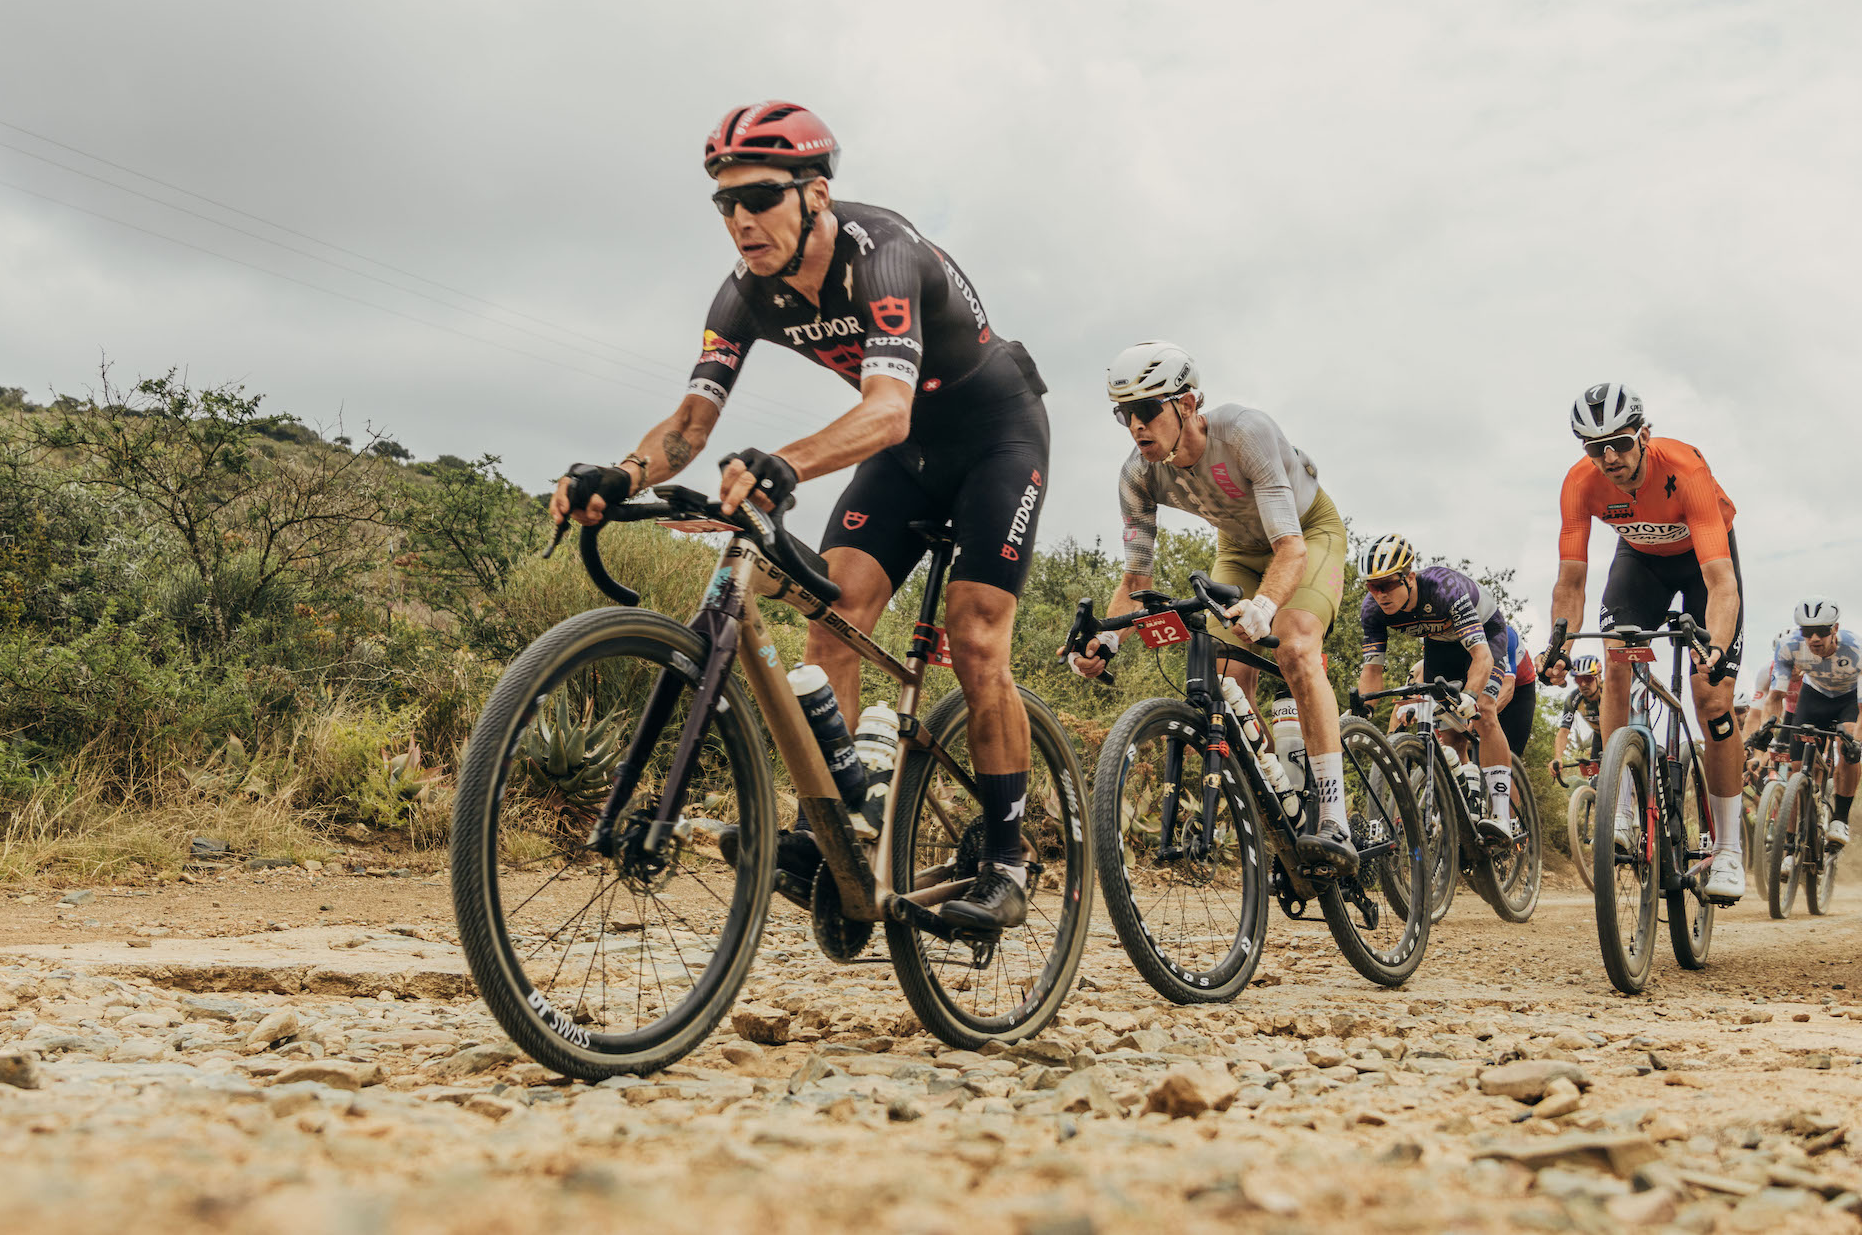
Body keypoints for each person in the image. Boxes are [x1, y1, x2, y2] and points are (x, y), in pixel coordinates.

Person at [551, 101, 1052, 930]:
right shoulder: (744, 295)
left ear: (815, 193)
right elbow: (689, 428)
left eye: (760, 198)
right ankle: (835, 833)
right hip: (906, 455)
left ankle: (1007, 859)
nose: (740, 220)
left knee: (973, 636)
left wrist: (783, 464)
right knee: (834, 614)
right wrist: (623, 470)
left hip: (996, 433)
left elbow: (887, 409)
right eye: (724, 203)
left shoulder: (882, 253)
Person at [1064, 343, 1356, 874]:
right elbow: (1137, 579)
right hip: (1239, 550)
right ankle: (1278, 798)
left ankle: (1334, 815)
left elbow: (1289, 549)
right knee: (1222, 677)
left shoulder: (1245, 433)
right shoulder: (1137, 476)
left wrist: (1266, 605)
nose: (1135, 426)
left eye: (1148, 410)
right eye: (1123, 414)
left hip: (1306, 534)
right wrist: (1106, 638)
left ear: (1189, 404)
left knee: (1294, 646)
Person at [1542, 383, 1747, 899]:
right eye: (1594, 448)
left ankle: (1728, 851)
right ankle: (1624, 805)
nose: (1608, 457)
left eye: (1620, 443)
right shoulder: (1579, 484)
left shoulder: (1684, 469)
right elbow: (1571, 581)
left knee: (1711, 697)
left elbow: (1722, 582)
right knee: (1615, 661)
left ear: (1644, 436)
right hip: (1639, 562)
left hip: (1703, 562)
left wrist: (1716, 649)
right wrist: (1560, 645)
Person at [1353, 534, 1532, 850]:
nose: (1379, 594)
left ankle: (1503, 815)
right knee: (1449, 736)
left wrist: (1472, 696)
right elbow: (1372, 671)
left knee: (1484, 713)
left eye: (1387, 584)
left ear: (1409, 577)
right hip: (1441, 646)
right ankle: (1466, 800)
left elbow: (1481, 657)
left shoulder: (1444, 589)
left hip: (1485, 637)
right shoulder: (1372, 610)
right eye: (1372, 586)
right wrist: (1363, 713)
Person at [1750, 598, 1862, 849]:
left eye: (1821, 631)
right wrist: (1766, 729)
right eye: (1806, 632)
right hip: (1814, 696)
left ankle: (1840, 819)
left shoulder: (1856, 648)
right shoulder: (1789, 648)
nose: (1814, 639)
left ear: (1835, 629)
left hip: (1849, 698)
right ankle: (1791, 842)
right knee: (1797, 767)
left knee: (1848, 747)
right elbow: (1775, 698)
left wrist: (1857, 742)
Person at [1549, 654, 1604, 782]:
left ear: (1599, 677)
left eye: (1588, 678)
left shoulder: (1609, 691)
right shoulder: (1573, 699)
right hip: (1599, 737)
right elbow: (1563, 731)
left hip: (1622, 734)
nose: (1583, 684)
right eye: (1579, 680)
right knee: (1595, 782)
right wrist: (1557, 758)